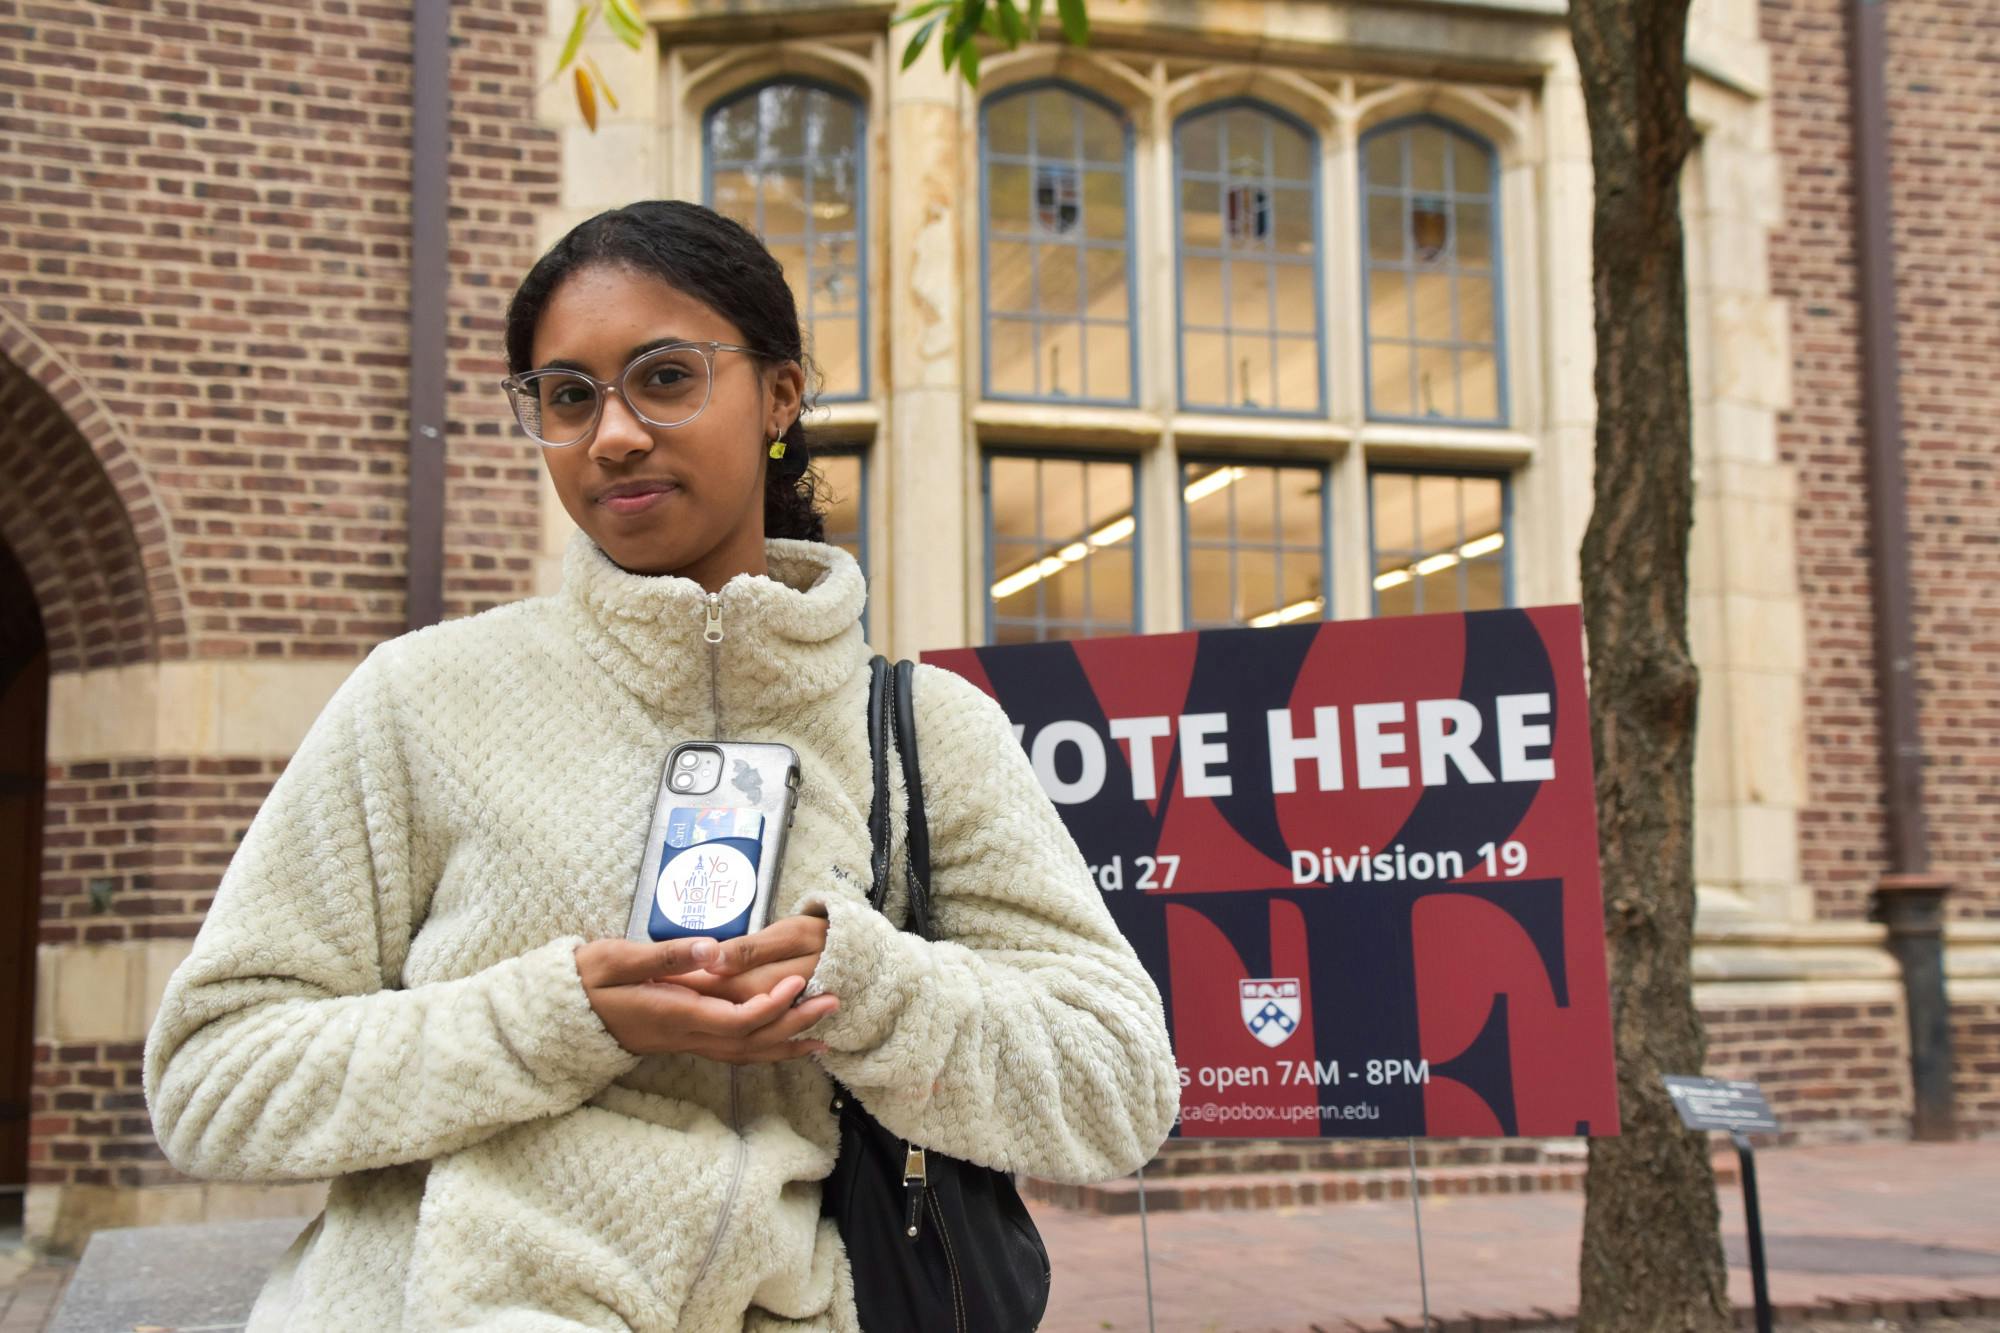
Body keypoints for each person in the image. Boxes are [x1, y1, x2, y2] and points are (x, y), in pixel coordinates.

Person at [143, 199, 1180, 1331]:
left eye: (666, 377)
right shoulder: (421, 697)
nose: (613, 434)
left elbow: (1117, 1088)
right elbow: (213, 1080)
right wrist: (554, 1020)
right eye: (567, 397)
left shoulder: (929, 731)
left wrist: (870, 991)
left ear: (780, 395)